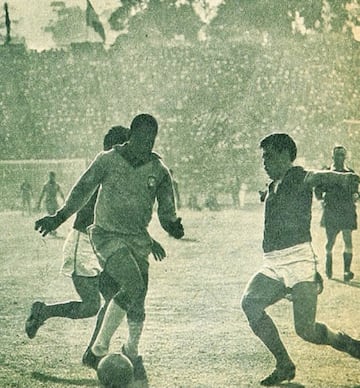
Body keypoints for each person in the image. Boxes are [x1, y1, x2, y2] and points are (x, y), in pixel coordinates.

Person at [34, 114, 184, 381]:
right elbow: (82, 190)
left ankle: (132, 350)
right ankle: (98, 349)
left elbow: (166, 209)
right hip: (106, 236)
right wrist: (58, 217)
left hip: (137, 239)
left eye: (152, 140)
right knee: (131, 285)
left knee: (138, 299)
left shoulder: (158, 170)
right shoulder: (108, 160)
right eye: (142, 138)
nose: (147, 144)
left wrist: (172, 224)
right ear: (132, 136)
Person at [241, 133, 360, 386]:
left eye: (269, 156)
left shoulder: (298, 176)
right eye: (263, 157)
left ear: (286, 155)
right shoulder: (274, 185)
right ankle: (284, 364)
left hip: (299, 262)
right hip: (273, 263)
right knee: (250, 303)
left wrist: (345, 178)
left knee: (306, 330)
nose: (264, 162)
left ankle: (347, 343)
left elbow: (319, 176)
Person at [314, 146, 358, 281]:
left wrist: (356, 195)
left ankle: (346, 271)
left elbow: (356, 191)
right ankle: (328, 264)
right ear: (332, 157)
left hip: (346, 210)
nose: (340, 158)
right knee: (330, 242)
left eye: (342, 155)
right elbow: (318, 190)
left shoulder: (350, 173)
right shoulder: (326, 172)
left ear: (345, 157)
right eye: (337, 155)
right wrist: (321, 200)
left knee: (348, 240)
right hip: (332, 211)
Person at [37, 171, 65, 236]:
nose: (51, 178)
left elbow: (61, 193)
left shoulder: (57, 185)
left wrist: (64, 201)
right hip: (48, 202)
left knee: (54, 215)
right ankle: (51, 230)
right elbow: (42, 194)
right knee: (50, 215)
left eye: (52, 176)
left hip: (54, 202)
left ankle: (52, 229)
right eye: (50, 176)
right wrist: (39, 203)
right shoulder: (46, 185)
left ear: (54, 177)